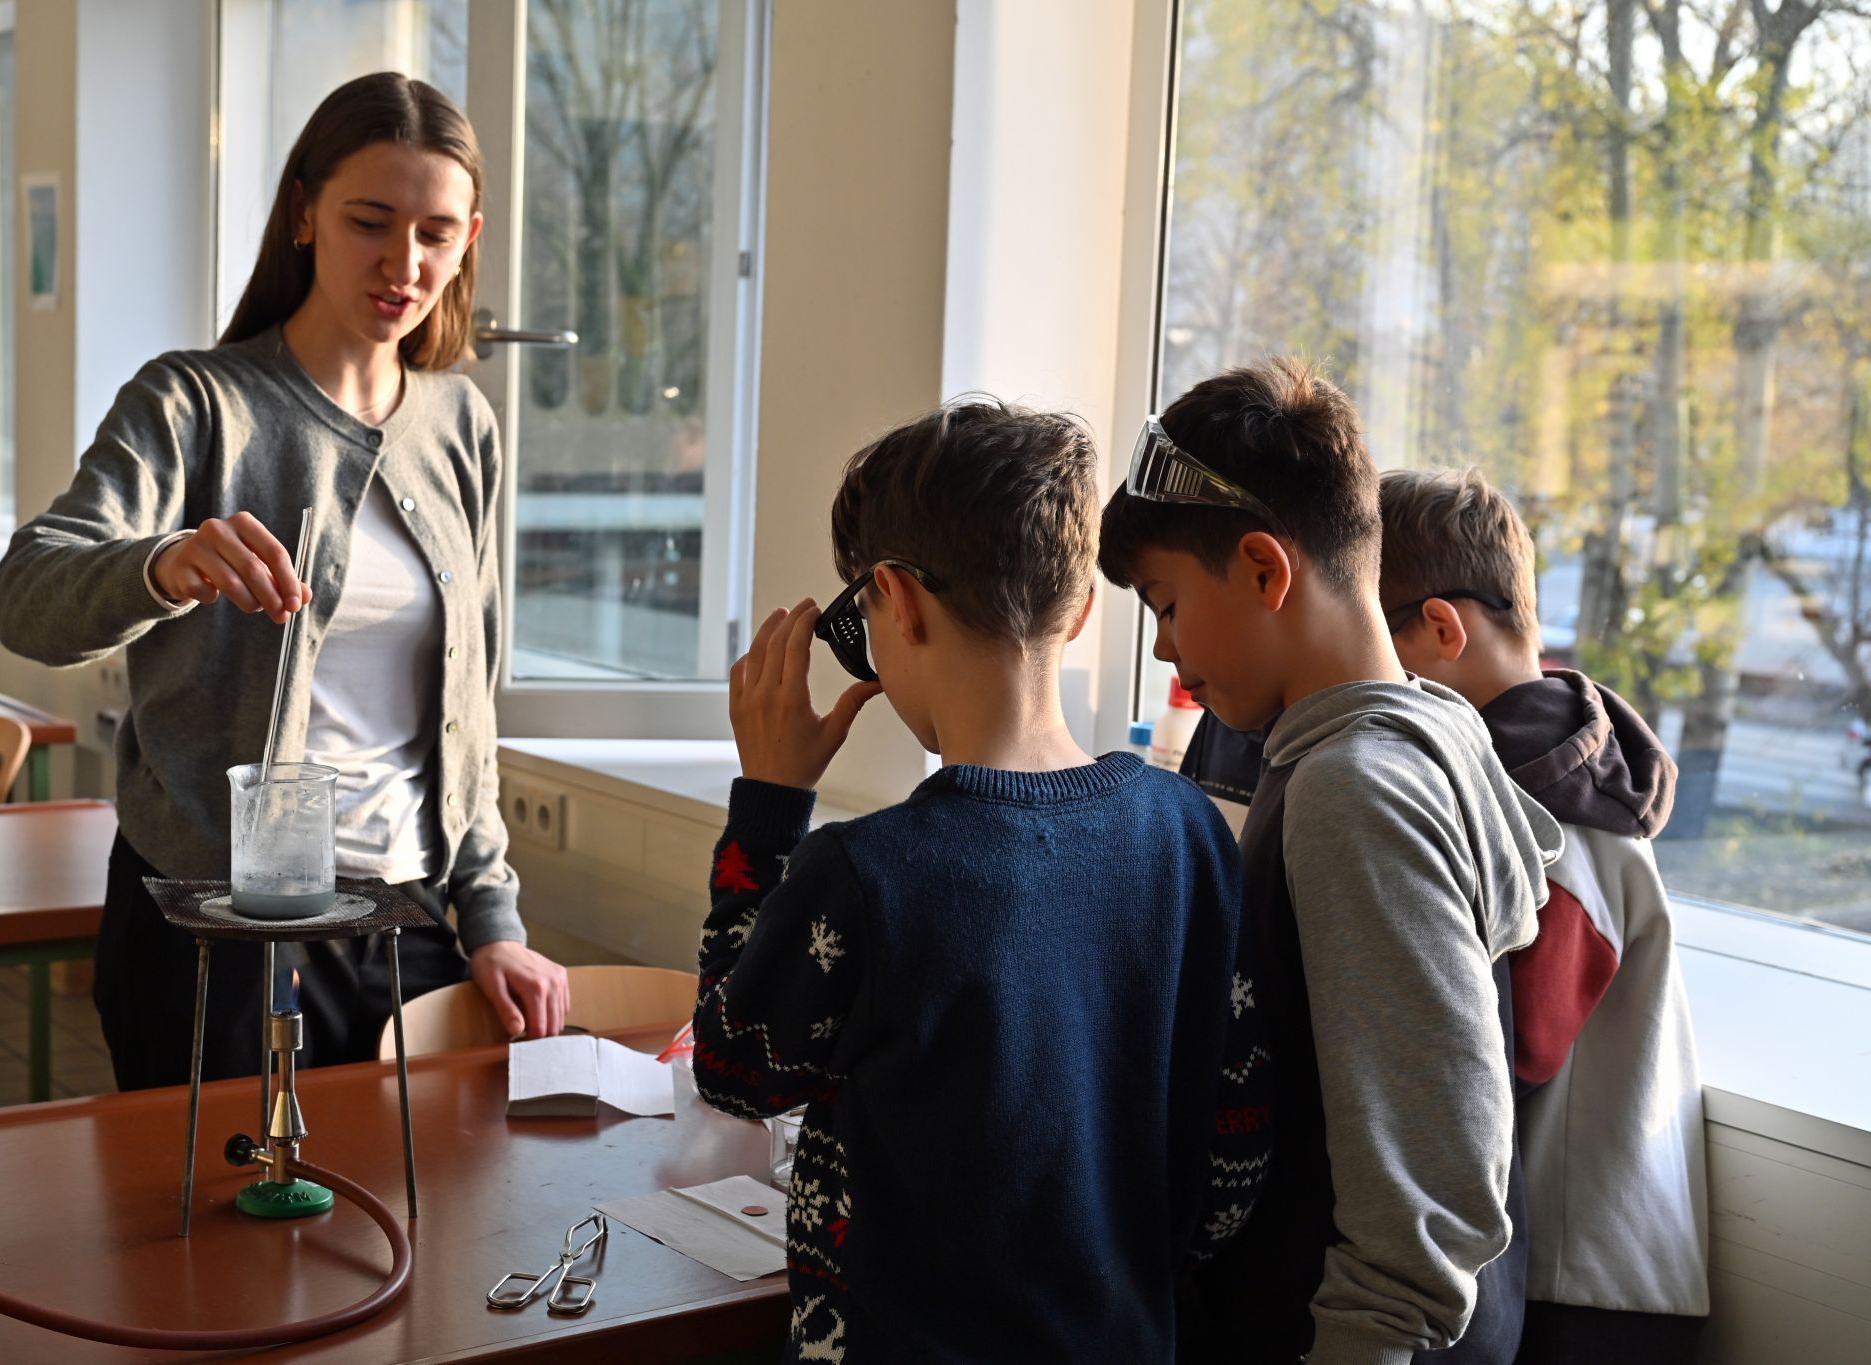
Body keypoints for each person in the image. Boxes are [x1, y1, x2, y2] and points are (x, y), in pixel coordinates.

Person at [0, 72, 569, 1090]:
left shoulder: (461, 425)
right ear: (304, 213)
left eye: (435, 233)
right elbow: (27, 595)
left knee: (425, 1232)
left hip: (406, 921)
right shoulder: (195, 404)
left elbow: (466, 718)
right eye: (370, 223)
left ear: (469, 236)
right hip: (216, 927)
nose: (404, 264)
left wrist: (492, 918)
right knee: (217, 1236)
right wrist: (162, 564)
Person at [689, 400, 1270, 1361]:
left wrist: (768, 806)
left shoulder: (864, 873)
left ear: (898, 601)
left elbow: (734, 1067)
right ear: (1082, 608)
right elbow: (1233, 1158)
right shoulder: (1189, 833)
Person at [1098, 358, 1561, 1365]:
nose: (1168, 653)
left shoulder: (1354, 789)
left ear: (1265, 570)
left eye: (1167, 605)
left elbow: (1433, 1173)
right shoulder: (1428, 729)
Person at [1377, 468, 1709, 1364]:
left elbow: (1510, 1053)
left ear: (1442, 630)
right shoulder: (1548, 768)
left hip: (1593, 1280)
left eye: (1375, 648)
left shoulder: (1557, 817)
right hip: (1570, 1262)